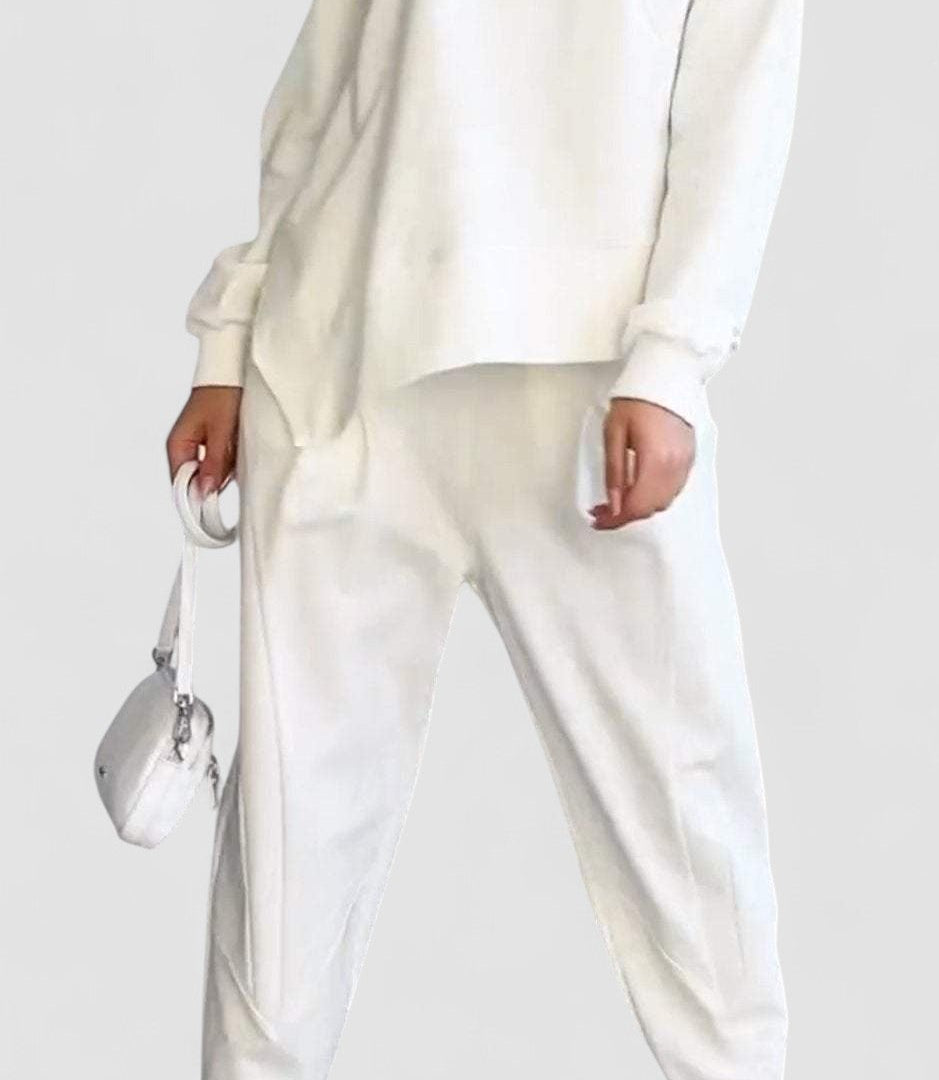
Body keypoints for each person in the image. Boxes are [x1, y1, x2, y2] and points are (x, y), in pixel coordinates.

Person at [166, 1, 803, 1077]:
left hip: (580, 385)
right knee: (285, 856)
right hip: (337, 367)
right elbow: (331, 68)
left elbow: (740, 90)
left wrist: (673, 359)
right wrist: (228, 339)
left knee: (686, 824)